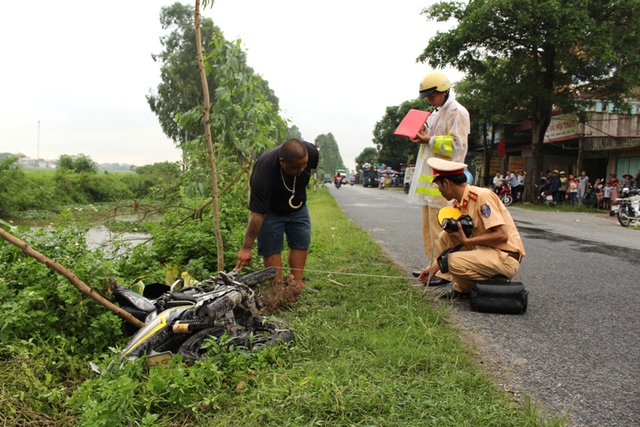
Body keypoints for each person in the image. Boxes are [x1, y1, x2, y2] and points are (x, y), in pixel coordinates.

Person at [417, 158, 525, 299]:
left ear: (447, 183)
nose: (440, 192)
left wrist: (468, 241)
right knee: (446, 236)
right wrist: (434, 267)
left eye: (439, 187)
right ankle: (464, 290)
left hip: (503, 256)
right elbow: (456, 242)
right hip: (484, 251)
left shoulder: (481, 196)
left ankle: (493, 280)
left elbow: (501, 236)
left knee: (452, 261)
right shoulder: (459, 203)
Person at [407, 71, 470, 286]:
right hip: (430, 181)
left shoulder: (457, 112)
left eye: (432, 96)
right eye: (427, 97)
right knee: (429, 228)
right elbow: (431, 141)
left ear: (444, 92)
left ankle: (444, 271)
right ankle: (431, 265)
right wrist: (423, 137)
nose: (430, 100)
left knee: (442, 228)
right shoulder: (434, 114)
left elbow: (458, 144)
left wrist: (430, 139)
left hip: (446, 180)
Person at [234, 139, 319, 287]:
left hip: (298, 206)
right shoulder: (264, 173)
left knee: (301, 241)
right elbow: (258, 215)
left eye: (304, 165)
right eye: (296, 167)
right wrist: (246, 248)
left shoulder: (312, 153)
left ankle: (297, 282)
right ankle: (277, 287)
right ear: (282, 162)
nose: (301, 170)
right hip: (271, 211)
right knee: (271, 246)